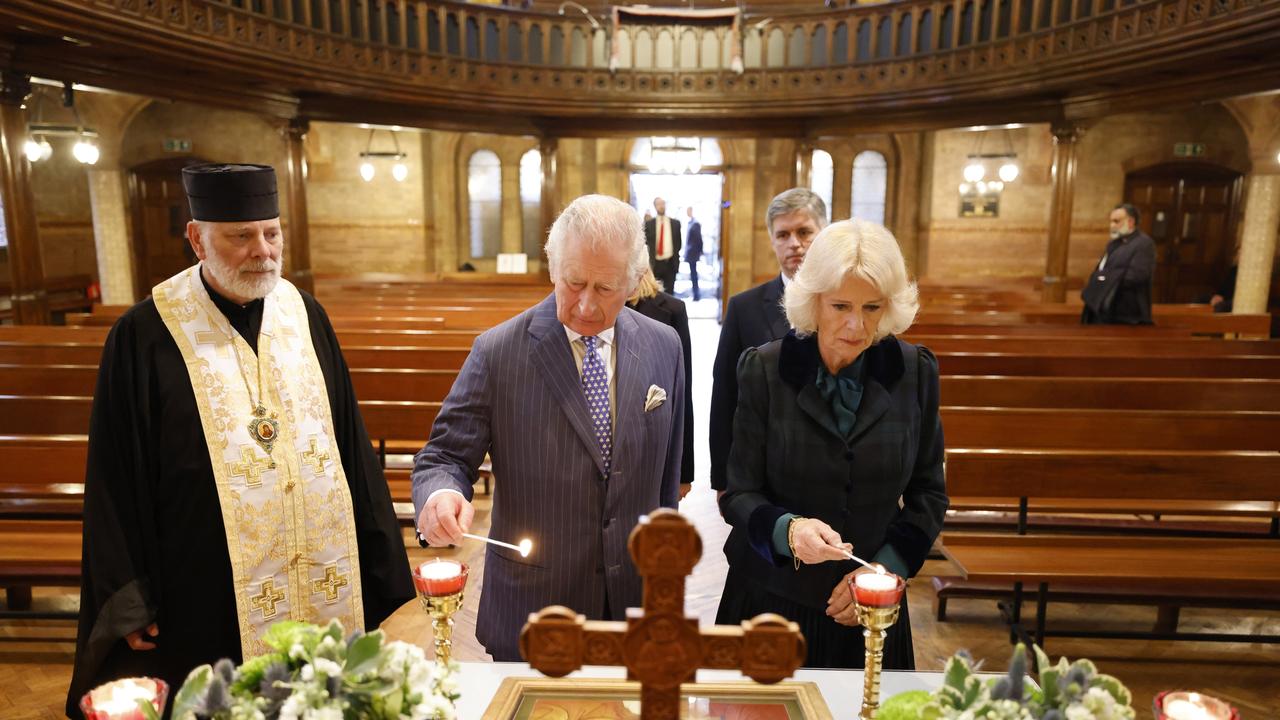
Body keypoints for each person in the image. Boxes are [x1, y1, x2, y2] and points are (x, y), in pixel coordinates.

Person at [66, 164, 414, 717]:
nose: (262, 251)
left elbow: (347, 442)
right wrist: (130, 597)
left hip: (320, 574)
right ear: (197, 238)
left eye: (271, 232)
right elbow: (113, 475)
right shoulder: (144, 334)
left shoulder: (305, 315)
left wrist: (380, 559)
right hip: (202, 584)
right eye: (241, 236)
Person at [412, 194, 686, 661]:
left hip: (634, 609)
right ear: (553, 269)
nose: (586, 305)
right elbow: (443, 458)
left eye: (606, 288)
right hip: (533, 607)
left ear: (634, 281)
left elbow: (666, 483)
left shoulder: (665, 346)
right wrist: (441, 495)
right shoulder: (498, 351)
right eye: (574, 282)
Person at [716, 219, 947, 669]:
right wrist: (789, 531)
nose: (856, 326)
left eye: (872, 308)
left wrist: (884, 569)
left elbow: (928, 494)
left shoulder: (914, 372)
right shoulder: (765, 370)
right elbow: (739, 493)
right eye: (840, 305)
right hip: (772, 600)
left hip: (871, 607)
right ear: (813, 300)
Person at [710, 188, 826, 498]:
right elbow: (724, 394)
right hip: (764, 470)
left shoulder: (845, 305)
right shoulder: (743, 308)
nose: (794, 244)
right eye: (783, 235)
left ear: (823, 232)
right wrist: (722, 480)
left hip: (831, 470)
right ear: (772, 240)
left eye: (804, 232)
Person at [628, 267, 694, 498]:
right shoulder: (600, 309)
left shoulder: (672, 310)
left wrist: (684, 473)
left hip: (656, 448)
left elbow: (683, 393)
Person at [1081, 203, 1156, 324]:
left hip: (1127, 314)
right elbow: (1101, 270)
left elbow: (1136, 276)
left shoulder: (1144, 244)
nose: (1112, 225)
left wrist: (1104, 278)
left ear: (1131, 222)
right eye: (1111, 221)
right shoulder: (1114, 244)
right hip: (1106, 309)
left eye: (1116, 221)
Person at [645, 197, 682, 294]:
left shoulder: (675, 224)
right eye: (658, 204)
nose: (661, 206)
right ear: (655, 206)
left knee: (670, 294)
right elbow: (646, 244)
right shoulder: (649, 224)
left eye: (662, 204)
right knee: (655, 294)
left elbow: (678, 244)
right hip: (655, 264)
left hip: (670, 263)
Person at [684, 207, 704, 301]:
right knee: (692, 275)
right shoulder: (690, 223)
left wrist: (700, 252)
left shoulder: (695, 224)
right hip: (690, 253)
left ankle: (696, 295)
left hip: (693, 254)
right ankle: (695, 294)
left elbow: (699, 240)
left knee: (694, 275)